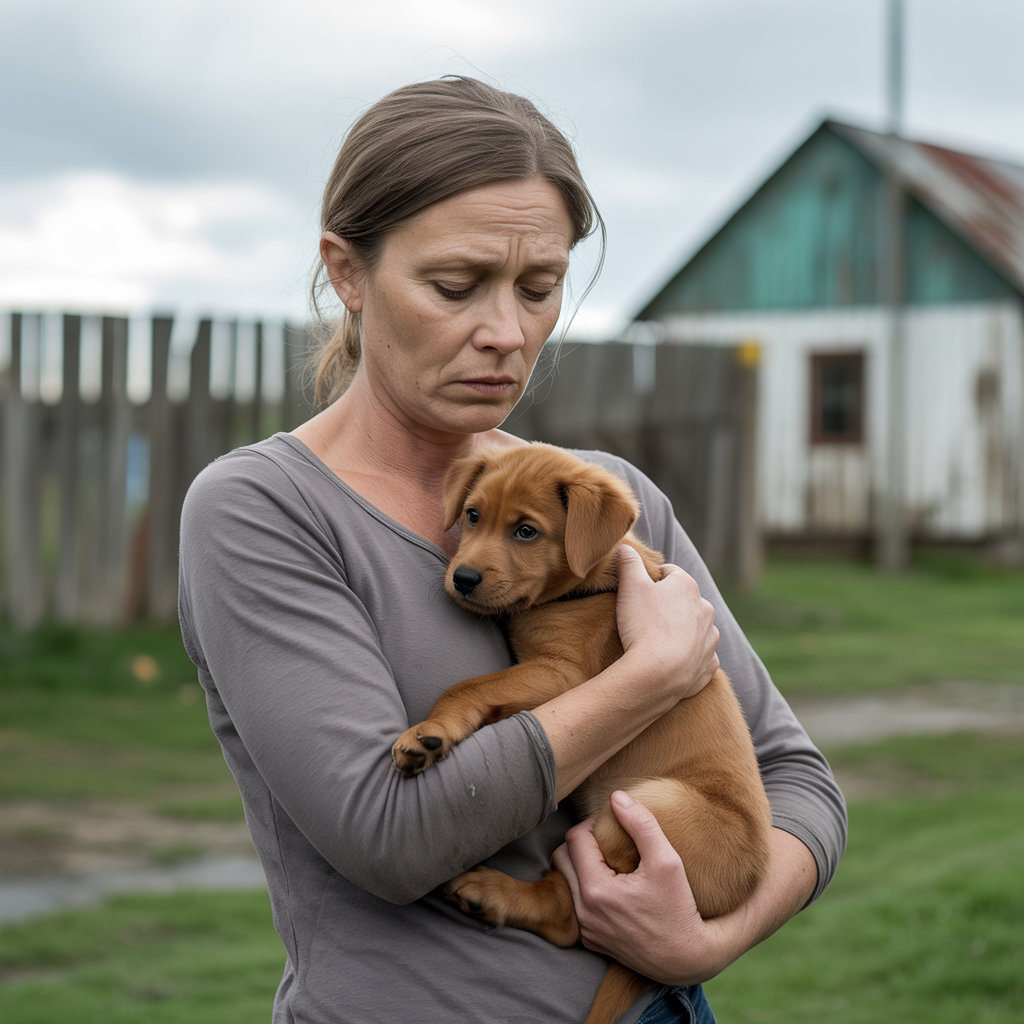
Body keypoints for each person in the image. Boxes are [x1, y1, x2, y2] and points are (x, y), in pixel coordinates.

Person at [177, 76, 847, 1024]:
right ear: (348, 272)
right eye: (456, 286)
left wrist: (710, 941)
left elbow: (799, 782)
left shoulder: (606, 503)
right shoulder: (264, 511)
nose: (506, 333)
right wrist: (647, 675)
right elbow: (393, 840)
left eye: (540, 289)